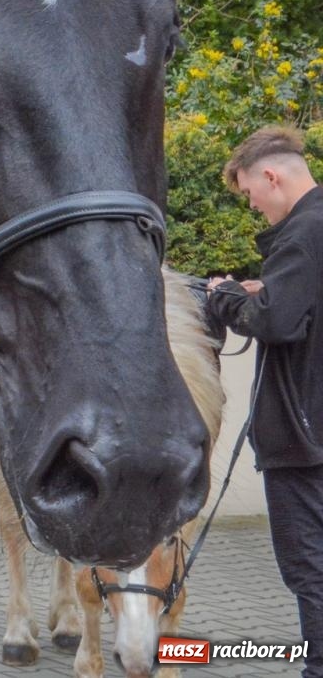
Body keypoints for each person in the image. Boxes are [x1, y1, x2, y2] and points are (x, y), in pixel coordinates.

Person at [206, 125, 323, 678]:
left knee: (311, 570)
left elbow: (275, 321)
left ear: (271, 176)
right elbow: (297, 305)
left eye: (252, 196)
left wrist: (226, 296)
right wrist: (265, 289)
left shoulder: (303, 233)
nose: (256, 209)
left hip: (305, 442)